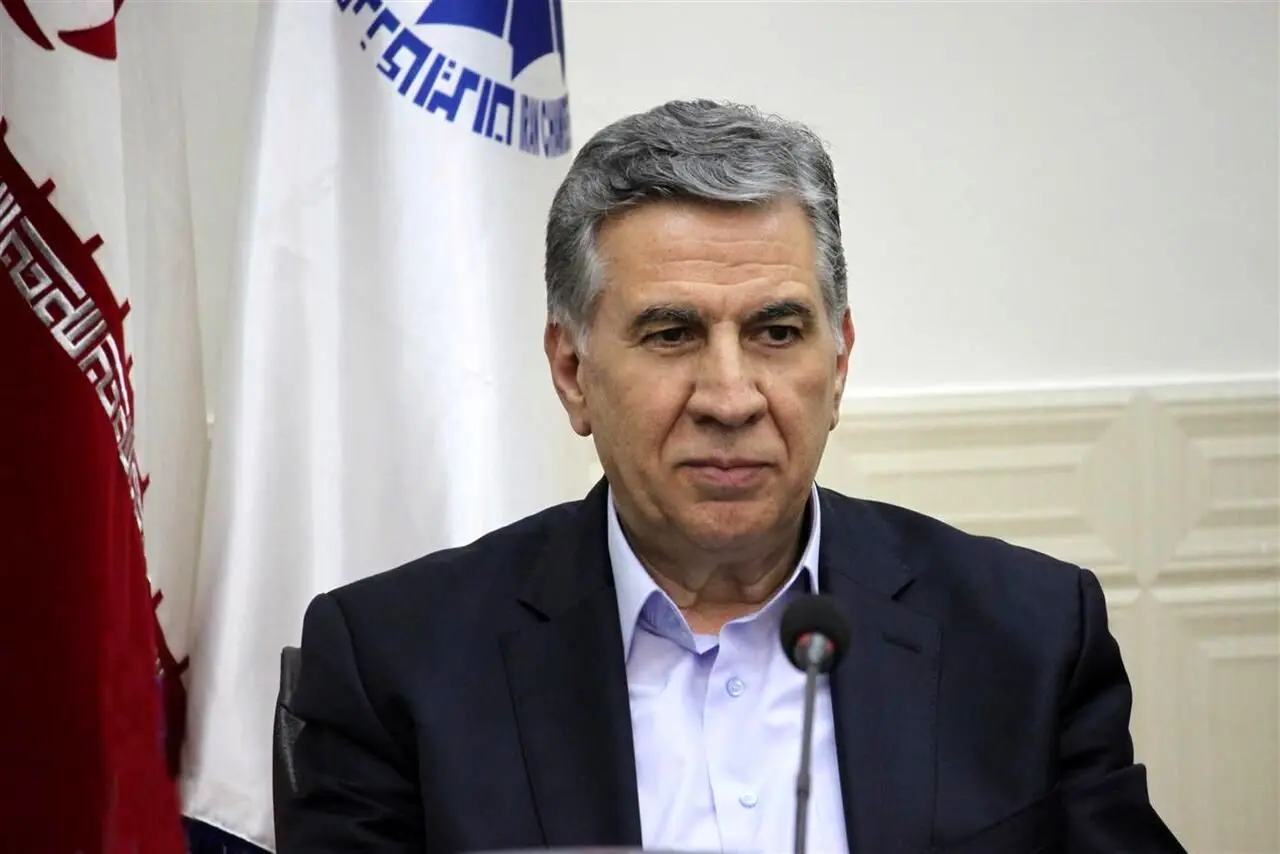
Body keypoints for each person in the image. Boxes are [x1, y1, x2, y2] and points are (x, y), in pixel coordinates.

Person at [275, 99, 1186, 854]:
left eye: (776, 333)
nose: (730, 396)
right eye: (671, 334)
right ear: (572, 370)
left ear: (839, 363)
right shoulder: (394, 664)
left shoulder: (1028, 637)